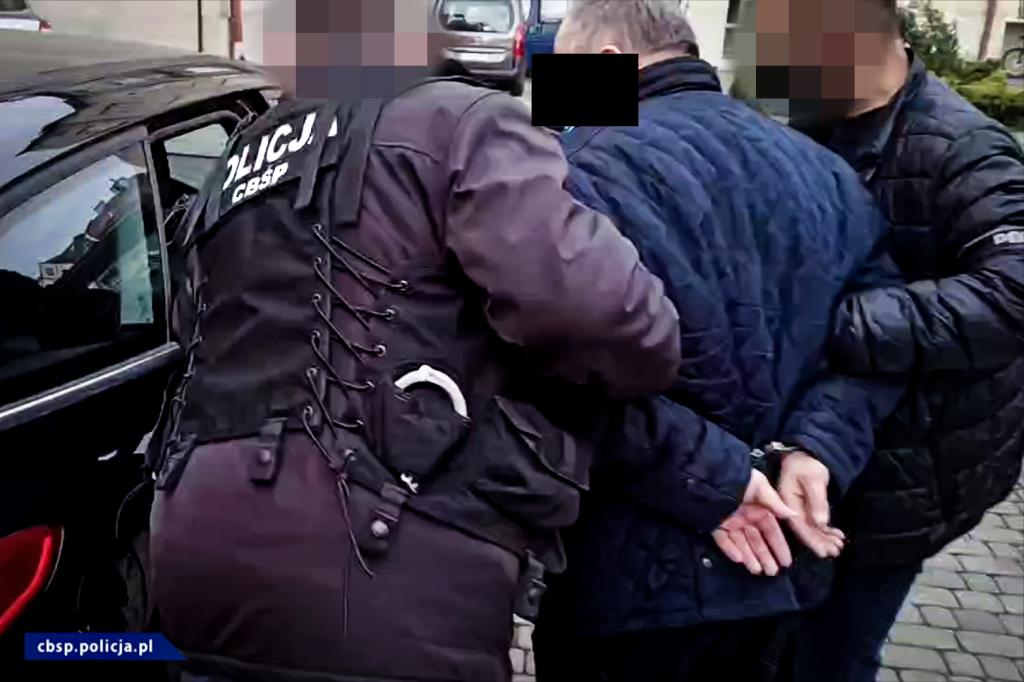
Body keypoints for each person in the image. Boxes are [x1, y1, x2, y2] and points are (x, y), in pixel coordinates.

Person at [144, 1, 682, 681]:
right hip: (382, 554)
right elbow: (606, 317)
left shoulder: (235, 160)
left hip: (193, 547)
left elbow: (191, 326)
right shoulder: (460, 121)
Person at [532, 2, 905, 680]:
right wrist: (816, 447)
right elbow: (879, 339)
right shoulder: (825, 170)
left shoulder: (570, 171)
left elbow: (552, 369)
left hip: (629, 586)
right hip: (787, 573)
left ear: (607, 64)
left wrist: (721, 480)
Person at [756, 1, 1024, 679]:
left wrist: (837, 321)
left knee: (835, 652)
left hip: (910, 470)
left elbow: (1012, 294)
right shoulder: (808, 123)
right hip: (817, 447)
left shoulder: (965, 148)